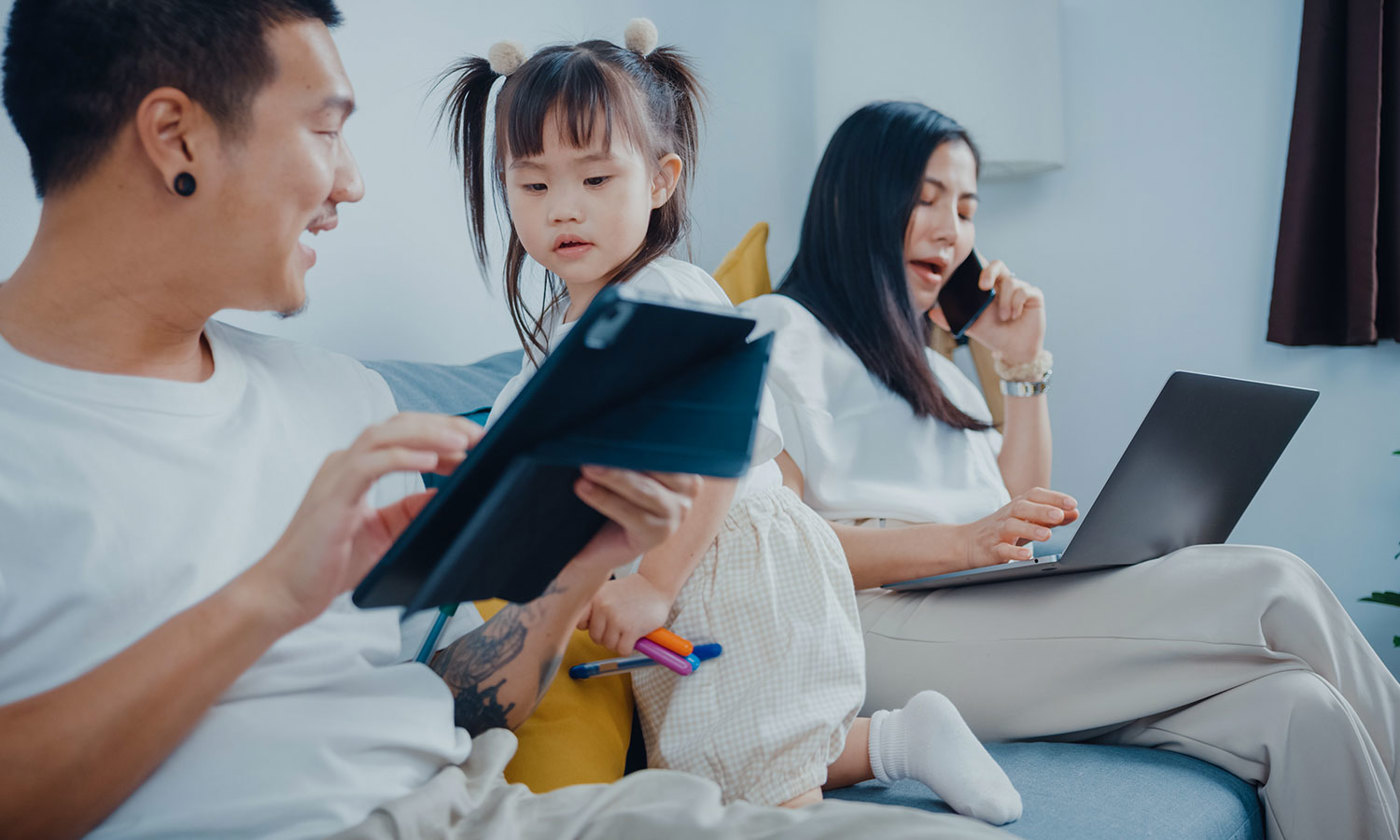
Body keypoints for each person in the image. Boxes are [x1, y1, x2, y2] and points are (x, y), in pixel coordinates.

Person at [0, 4, 1016, 839]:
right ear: (176, 137)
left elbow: (457, 696)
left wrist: (576, 575)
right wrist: (271, 594)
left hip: (478, 805)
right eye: (324, 129)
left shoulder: (345, 404)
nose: (352, 182)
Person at [739, 100, 1400, 840]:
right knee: (1273, 582)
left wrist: (1021, 366)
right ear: (851, 203)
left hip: (977, 607)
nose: (951, 231)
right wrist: (960, 542)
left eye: (966, 209)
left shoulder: (943, 376)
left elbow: (1017, 513)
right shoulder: (777, 330)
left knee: (1301, 710)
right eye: (924, 200)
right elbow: (775, 547)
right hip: (870, 623)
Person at [438, 22, 1020, 823]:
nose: (563, 208)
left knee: (767, 793)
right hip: (680, 579)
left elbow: (719, 449)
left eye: (596, 178)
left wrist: (655, 583)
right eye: (533, 186)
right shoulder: (554, 345)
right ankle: (900, 740)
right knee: (730, 762)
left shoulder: (668, 295)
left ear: (661, 180)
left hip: (726, 559)